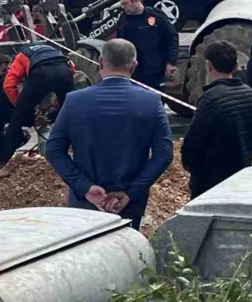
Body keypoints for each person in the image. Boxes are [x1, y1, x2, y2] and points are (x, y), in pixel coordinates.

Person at [45, 39, 174, 231]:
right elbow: (163, 155)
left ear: (100, 63)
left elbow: (54, 150)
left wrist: (86, 189)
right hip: (129, 205)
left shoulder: (75, 101)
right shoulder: (151, 101)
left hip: (85, 204)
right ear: (134, 65)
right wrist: (131, 193)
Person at [181, 40, 252, 198]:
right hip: (241, 177)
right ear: (236, 65)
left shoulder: (210, 99)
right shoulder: (250, 94)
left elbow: (193, 143)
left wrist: (191, 167)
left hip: (211, 182)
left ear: (208, 66)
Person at [0, 43, 76, 166]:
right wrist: (57, 107)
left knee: (16, 121)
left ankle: (3, 159)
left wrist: (22, 107)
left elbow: (9, 85)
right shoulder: (54, 50)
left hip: (41, 75)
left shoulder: (22, 55)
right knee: (70, 116)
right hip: (65, 73)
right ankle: (77, 152)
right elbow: (71, 69)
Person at [114, 0, 179, 89]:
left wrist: (171, 62)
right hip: (132, 69)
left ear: (135, 0)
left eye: (125, 4)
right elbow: (120, 42)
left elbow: (172, 36)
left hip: (154, 69)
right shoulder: (123, 19)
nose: (123, 7)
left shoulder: (155, 15)